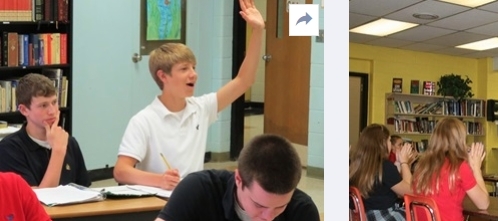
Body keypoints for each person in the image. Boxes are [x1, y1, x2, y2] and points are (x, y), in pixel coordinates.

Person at [114, 0, 264, 190]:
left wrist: (258, 31)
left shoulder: (201, 108)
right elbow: (121, 171)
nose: (193, 74)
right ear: (163, 76)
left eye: (194, 67)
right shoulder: (144, 120)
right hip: (159, 200)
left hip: (193, 198)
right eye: (184, 69)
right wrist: (159, 180)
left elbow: (244, 80)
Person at [155, 134, 319, 221]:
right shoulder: (198, 190)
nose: (268, 217)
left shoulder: (302, 210)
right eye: (259, 205)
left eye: (280, 207)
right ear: (239, 179)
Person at [0, 74, 90, 188]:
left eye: (54, 102)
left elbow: (84, 191)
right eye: (43, 105)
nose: (52, 111)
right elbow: (40, 200)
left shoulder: (69, 142)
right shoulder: (8, 149)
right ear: (24, 110)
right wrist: (58, 152)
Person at [411, 118, 488, 221]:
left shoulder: (422, 165)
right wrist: (476, 168)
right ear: (460, 140)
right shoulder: (459, 166)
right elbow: (483, 204)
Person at [350, 124, 414, 220]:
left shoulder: (355, 165)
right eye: (389, 140)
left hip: (366, 215)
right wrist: (404, 162)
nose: (390, 144)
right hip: (384, 215)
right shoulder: (385, 166)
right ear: (382, 143)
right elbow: (410, 192)